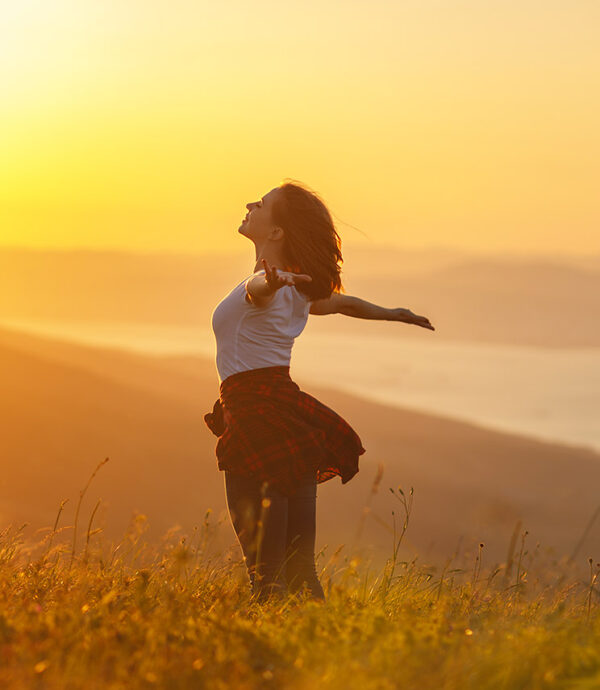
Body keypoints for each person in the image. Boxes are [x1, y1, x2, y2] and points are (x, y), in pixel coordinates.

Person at [204, 180, 435, 604]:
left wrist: (270, 282)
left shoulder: (267, 286)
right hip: (287, 417)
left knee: (266, 576)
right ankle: (319, 644)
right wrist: (392, 314)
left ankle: (275, 659)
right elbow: (344, 303)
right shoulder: (294, 290)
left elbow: (260, 292)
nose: (251, 204)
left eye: (263, 203)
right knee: (299, 568)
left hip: (256, 419)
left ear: (276, 233)